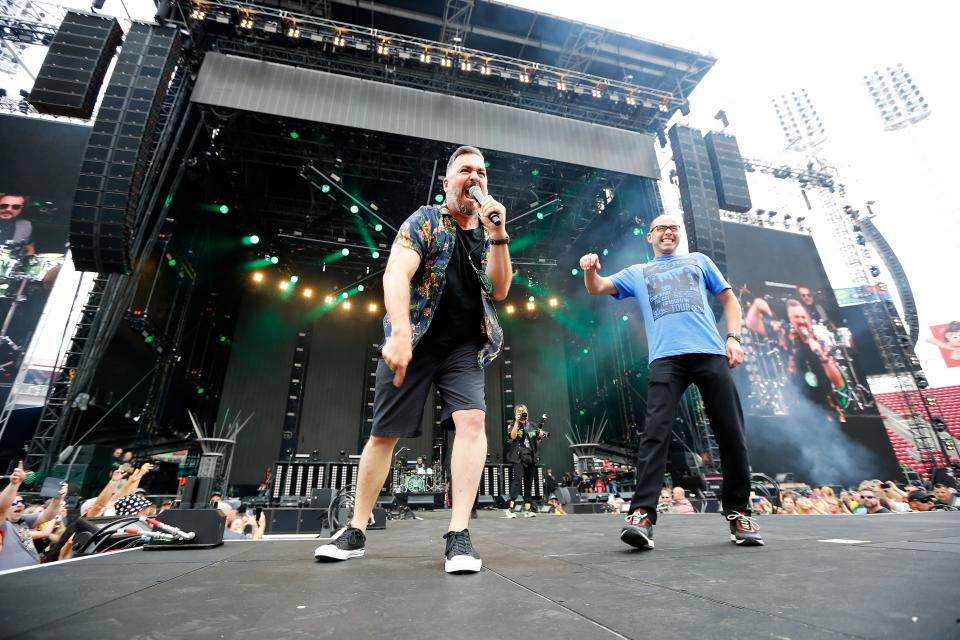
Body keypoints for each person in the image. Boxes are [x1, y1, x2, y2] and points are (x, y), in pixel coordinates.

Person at [314, 145, 511, 574]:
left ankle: (458, 534)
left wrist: (498, 235)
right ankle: (356, 529)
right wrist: (400, 332)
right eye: (465, 171)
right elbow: (396, 273)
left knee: (472, 420)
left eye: (481, 172)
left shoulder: (488, 229)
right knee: (384, 434)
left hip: (463, 347)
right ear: (447, 183)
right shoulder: (425, 220)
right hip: (416, 340)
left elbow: (498, 291)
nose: (474, 178)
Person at [579, 214, 762, 549]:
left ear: (679, 235)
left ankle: (738, 513)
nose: (667, 231)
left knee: (732, 434)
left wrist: (734, 337)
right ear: (650, 237)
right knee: (654, 435)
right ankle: (642, 516)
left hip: (710, 354)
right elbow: (598, 286)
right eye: (660, 228)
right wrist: (590, 269)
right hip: (666, 360)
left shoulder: (699, 261)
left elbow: (729, 300)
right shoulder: (638, 272)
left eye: (673, 227)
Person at [0, 461, 66, 570]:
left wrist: (57, 499)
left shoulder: (22, 522)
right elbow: (1, 510)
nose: (20, 505)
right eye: (14, 503)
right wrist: (14, 484)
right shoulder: (3, 525)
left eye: (22, 502)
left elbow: (46, 516)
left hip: (32, 574)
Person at [505, 404, 545, 517]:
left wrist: (540, 437)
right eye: (519, 411)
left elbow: (537, 442)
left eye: (524, 411)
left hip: (530, 456)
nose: (522, 413)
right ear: (516, 413)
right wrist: (517, 422)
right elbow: (512, 437)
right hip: (518, 456)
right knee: (517, 480)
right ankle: (510, 509)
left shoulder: (532, 425)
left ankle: (528, 508)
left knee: (528, 482)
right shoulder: (512, 425)